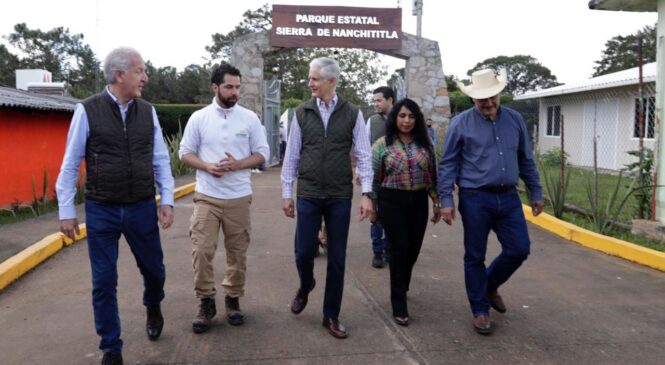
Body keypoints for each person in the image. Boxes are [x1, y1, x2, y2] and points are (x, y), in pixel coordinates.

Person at [55, 47, 174, 365]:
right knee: (104, 280)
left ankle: (153, 303)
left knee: (155, 271)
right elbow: (70, 164)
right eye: (140, 71)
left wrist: (168, 200)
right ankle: (111, 347)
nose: (145, 78)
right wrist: (66, 211)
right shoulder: (88, 110)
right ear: (119, 74)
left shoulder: (147, 111)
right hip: (102, 208)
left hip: (141, 207)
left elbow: (160, 159)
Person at [438, 68, 543, 335]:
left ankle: (487, 285)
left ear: (499, 94)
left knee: (519, 249)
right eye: (482, 98)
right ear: (473, 99)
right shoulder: (460, 123)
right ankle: (480, 310)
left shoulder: (515, 119)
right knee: (475, 255)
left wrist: (536, 191)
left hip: (508, 197)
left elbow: (526, 159)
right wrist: (446, 200)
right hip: (475, 198)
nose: (488, 103)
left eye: (492, 97)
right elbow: (448, 163)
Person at [281, 57, 374, 339]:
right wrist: (287, 193)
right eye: (310, 78)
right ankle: (306, 283)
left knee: (337, 258)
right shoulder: (302, 112)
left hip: (339, 195)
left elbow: (364, 156)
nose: (309, 83)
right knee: (303, 251)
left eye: (314, 79)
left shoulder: (353, 113)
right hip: (308, 192)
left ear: (331, 81)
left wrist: (367, 194)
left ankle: (330, 314)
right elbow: (292, 155)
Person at [179, 63, 269, 334]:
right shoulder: (200, 118)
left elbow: (263, 154)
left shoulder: (250, 119)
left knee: (237, 253)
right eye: (229, 87)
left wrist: (238, 164)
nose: (235, 92)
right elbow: (185, 152)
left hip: (239, 197)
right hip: (207, 195)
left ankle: (232, 298)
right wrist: (207, 166)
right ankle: (206, 301)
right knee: (202, 250)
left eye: (237, 87)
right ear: (215, 87)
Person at [371, 98, 442, 326]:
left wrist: (436, 202)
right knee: (399, 250)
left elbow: (432, 176)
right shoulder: (382, 144)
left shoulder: (426, 143)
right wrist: (372, 207)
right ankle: (399, 304)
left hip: (418, 201)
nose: (407, 121)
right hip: (391, 201)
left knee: (413, 250)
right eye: (402, 116)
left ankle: (403, 283)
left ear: (417, 119)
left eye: (411, 116)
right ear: (395, 118)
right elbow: (373, 179)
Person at [365, 86, 394, 269]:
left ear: (390, 100)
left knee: (392, 216)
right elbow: (365, 148)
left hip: (396, 177)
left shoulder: (402, 118)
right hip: (376, 176)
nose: (376, 104)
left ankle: (389, 249)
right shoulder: (372, 121)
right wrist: (363, 173)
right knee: (375, 216)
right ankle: (377, 251)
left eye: (379, 100)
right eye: (374, 100)